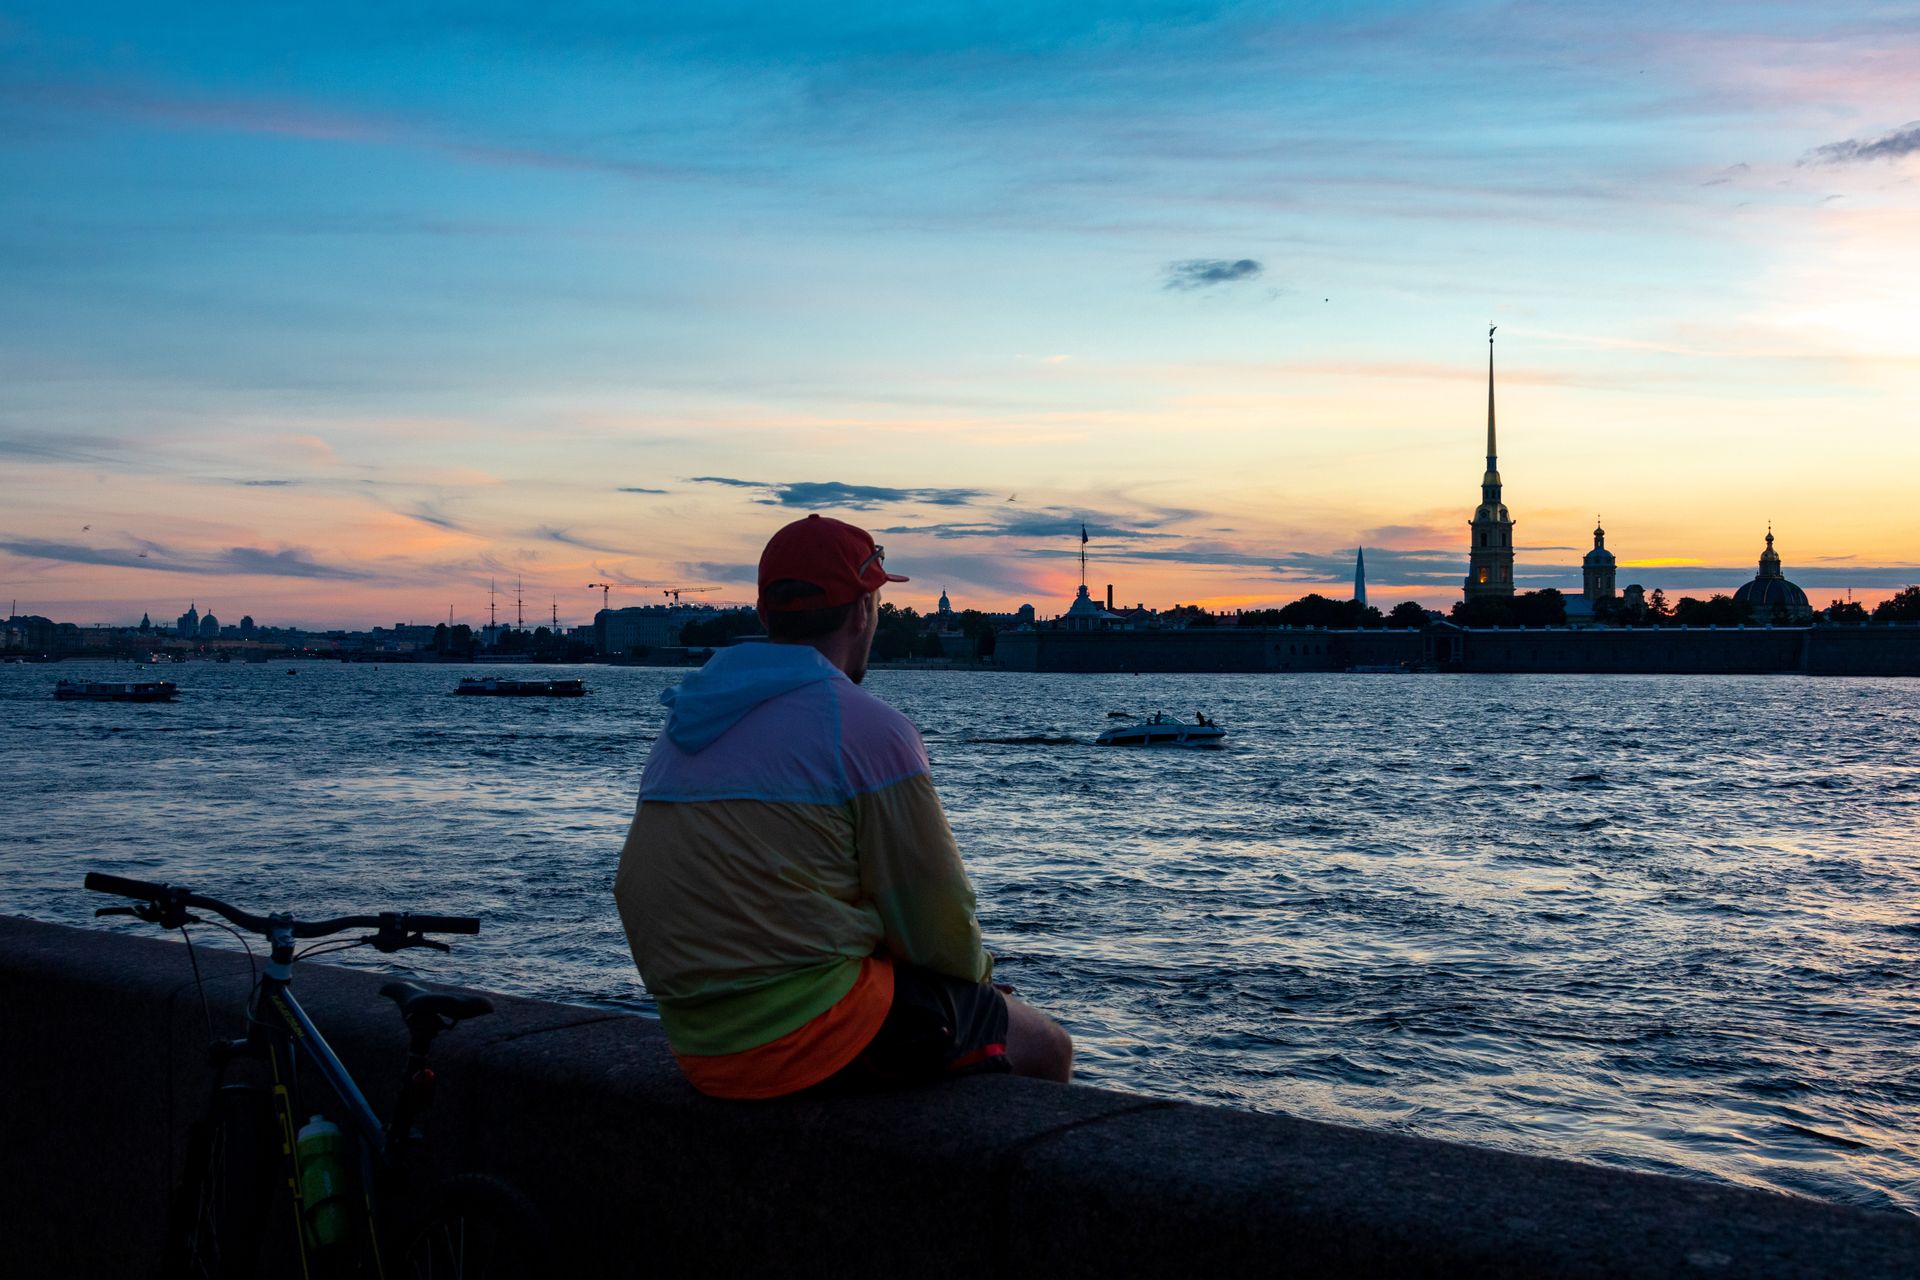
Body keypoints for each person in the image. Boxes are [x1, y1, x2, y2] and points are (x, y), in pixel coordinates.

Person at [614, 514, 1073, 1099]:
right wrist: (980, 990)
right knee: (1045, 1044)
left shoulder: (686, 720)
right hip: (811, 1039)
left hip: (700, 1043)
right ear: (863, 611)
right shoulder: (864, 726)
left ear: (765, 616)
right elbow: (936, 917)